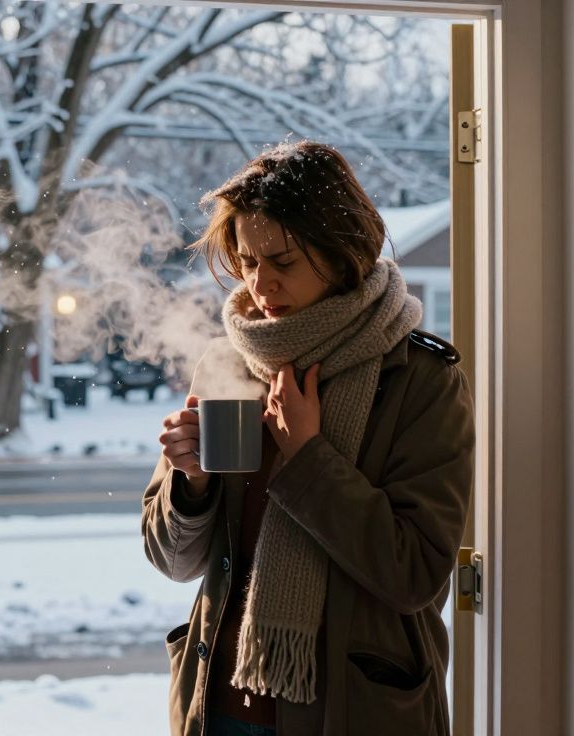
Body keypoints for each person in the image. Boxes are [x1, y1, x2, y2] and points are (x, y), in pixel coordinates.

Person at [141, 140, 474, 736]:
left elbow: (415, 575)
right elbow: (174, 560)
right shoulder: (230, 362)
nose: (260, 283)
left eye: (284, 261)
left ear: (341, 251)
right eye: (246, 260)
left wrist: (308, 458)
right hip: (218, 705)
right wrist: (190, 485)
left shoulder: (420, 379)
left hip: (352, 712)